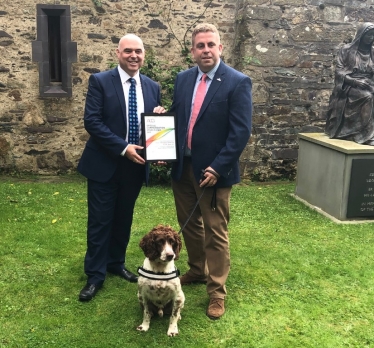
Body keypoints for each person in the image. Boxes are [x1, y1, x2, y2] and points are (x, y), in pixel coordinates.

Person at [169, 23, 252, 319]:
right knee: (189, 224)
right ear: (192, 51)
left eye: (210, 44)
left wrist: (219, 167)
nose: (205, 50)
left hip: (213, 172)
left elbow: (240, 132)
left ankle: (217, 292)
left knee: (215, 231)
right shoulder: (182, 79)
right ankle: (196, 270)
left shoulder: (237, 82)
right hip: (183, 166)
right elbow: (179, 117)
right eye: (200, 45)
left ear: (220, 48)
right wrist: (161, 124)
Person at [77, 34, 165, 301]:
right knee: (100, 220)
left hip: (135, 166)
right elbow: (92, 121)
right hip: (105, 163)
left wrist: (158, 135)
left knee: (123, 218)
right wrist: (122, 147)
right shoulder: (101, 81)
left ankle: (115, 263)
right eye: (128, 51)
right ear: (118, 53)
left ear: (144, 54)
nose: (133, 56)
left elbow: (152, 127)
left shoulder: (152, 86)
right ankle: (95, 274)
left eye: (138, 51)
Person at [325, 22, 374, 145]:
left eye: (373, 35)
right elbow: (339, 71)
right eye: (368, 35)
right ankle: (366, 135)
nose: (371, 38)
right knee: (367, 97)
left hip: (369, 83)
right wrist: (355, 81)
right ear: (361, 35)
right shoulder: (347, 50)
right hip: (350, 85)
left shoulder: (372, 52)